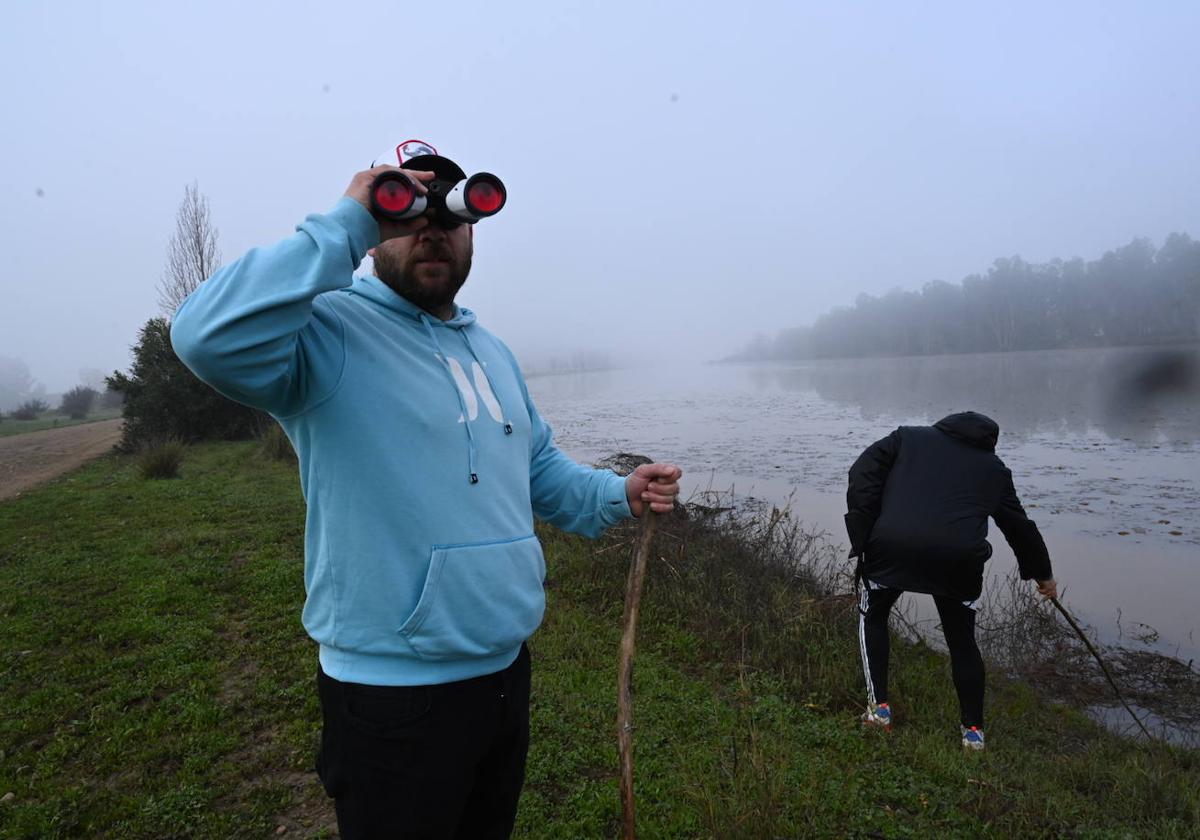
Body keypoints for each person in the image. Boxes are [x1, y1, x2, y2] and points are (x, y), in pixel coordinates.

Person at [170, 139, 682, 838]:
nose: (433, 229)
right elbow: (204, 336)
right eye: (412, 211)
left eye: (451, 213)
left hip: (504, 676)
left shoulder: (492, 351)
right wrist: (347, 220)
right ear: (377, 233)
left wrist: (616, 493)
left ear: (474, 231)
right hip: (390, 699)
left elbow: (535, 470)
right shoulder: (327, 333)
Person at [843, 411, 1056, 752]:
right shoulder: (994, 470)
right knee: (962, 642)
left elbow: (862, 474)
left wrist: (865, 532)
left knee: (874, 616)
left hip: (892, 547)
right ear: (989, 442)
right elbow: (1018, 526)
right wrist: (1043, 575)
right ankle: (973, 735)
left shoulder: (907, 438)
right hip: (957, 561)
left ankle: (878, 711)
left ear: (945, 425)